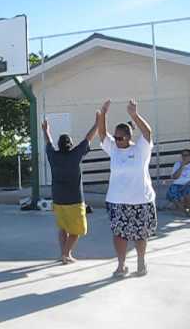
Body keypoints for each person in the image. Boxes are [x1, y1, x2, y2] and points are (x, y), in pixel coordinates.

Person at [98, 99, 157, 277]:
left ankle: (141, 262)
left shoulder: (141, 150)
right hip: (117, 201)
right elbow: (101, 134)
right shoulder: (114, 149)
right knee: (119, 234)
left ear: (129, 137)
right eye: (115, 137)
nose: (116, 140)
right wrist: (103, 115)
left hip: (141, 200)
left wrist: (134, 115)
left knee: (140, 235)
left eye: (120, 138)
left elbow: (148, 132)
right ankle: (121, 265)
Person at [42, 112, 98, 264]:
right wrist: (97, 123)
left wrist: (45, 130)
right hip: (74, 200)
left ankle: (65, 254)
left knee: (63, 228)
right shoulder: (75, 155)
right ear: (71, 144)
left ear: (59, 146)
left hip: (58, 199)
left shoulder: (53, 156)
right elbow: (88, 138)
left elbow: (48, 142)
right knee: (77, 230)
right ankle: (66, 254)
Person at [166, 149, 190, 214]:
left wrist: (186, 185)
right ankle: (184, 210)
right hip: (177, 184)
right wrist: (181, 166)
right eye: (183, 155)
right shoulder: (177, 164)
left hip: (189, 184)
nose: (184, 157)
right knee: (172, 193)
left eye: (186, 155)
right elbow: (174, 177)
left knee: (189, 192)